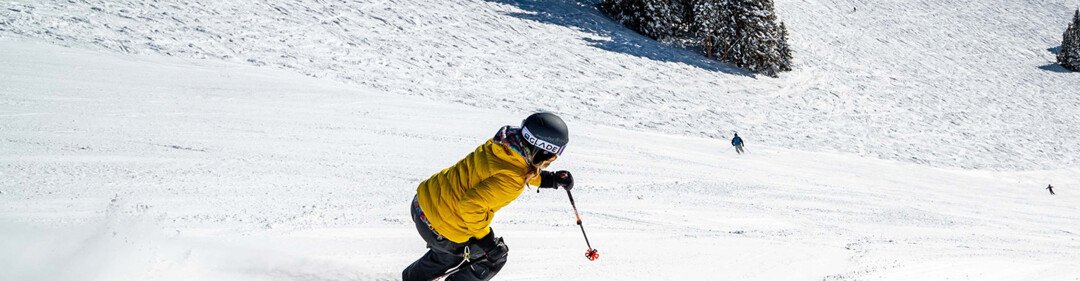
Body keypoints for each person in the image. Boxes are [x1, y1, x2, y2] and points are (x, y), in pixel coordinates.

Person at [402, 112, 576, 281]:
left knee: (449, 255)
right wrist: (488, 243)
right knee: (493, 258)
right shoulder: (513, 179)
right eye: (551, 157)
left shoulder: (503, 144)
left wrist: (550, 180)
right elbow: (471, 206)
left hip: (422, 204)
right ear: (541, 151)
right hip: (441, 228)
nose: (551, 161)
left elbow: (509, 171)